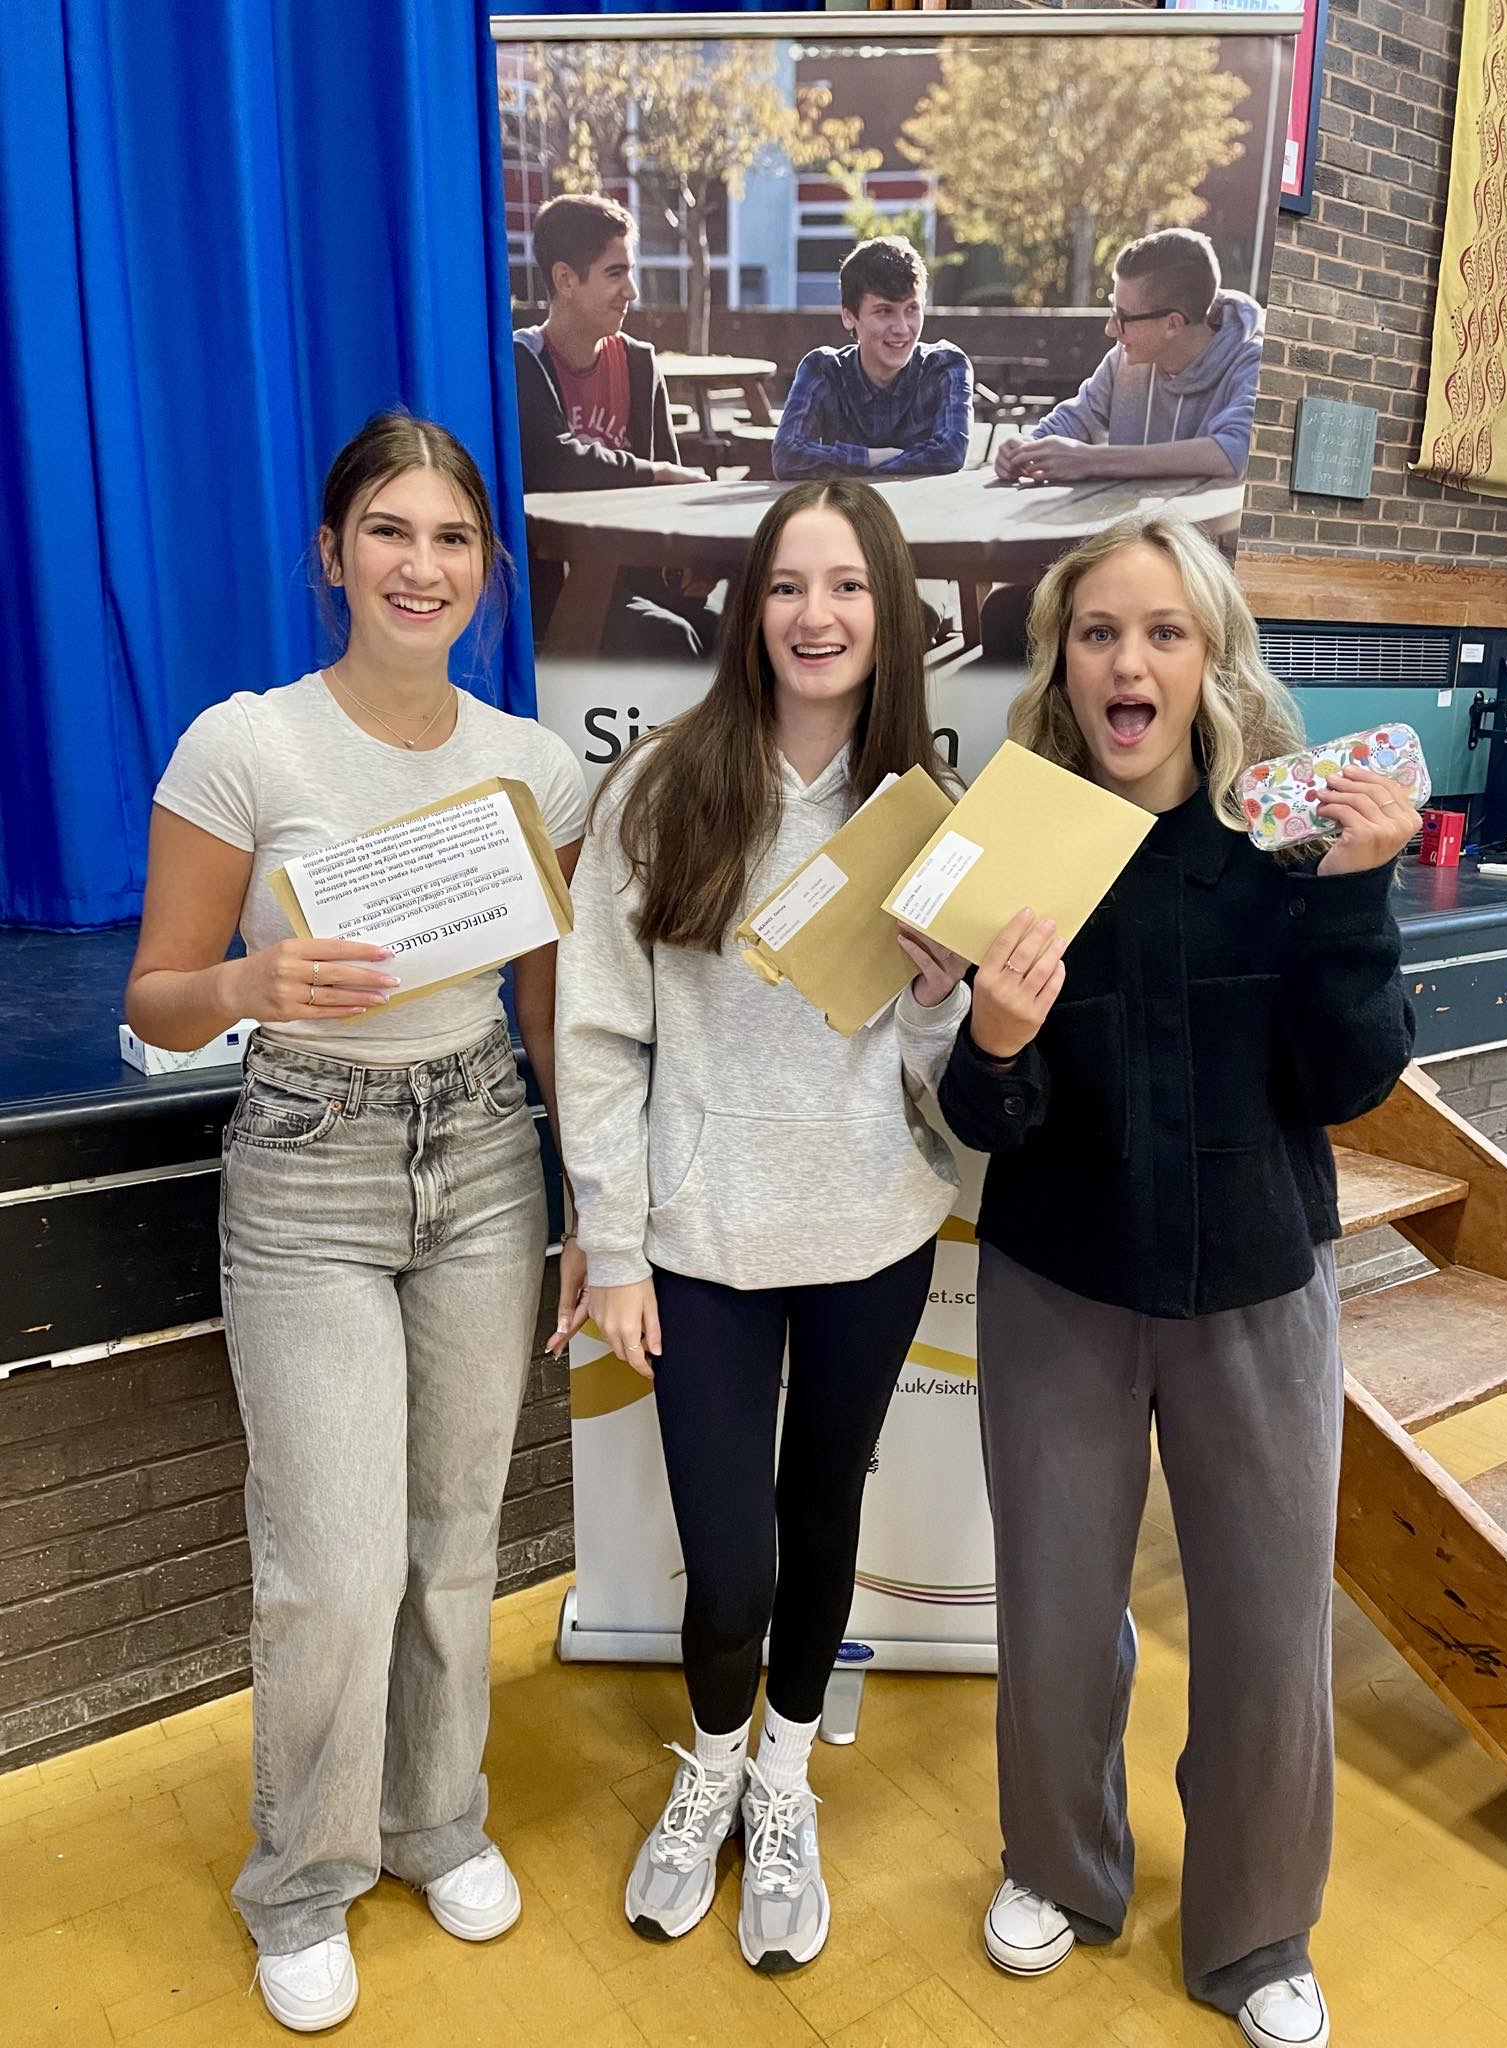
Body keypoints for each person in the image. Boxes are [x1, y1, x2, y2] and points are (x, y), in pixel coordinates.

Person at [125, 412, 589, 2034]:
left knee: (458, 1535)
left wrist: (591, 1198)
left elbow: (555, 1023)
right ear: (333, 554)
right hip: (307, 1161)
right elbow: (158, 1002)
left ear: (487, 570)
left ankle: (434, 1818)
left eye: (451, 537)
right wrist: (252, 983)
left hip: (480, 1155)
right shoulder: (244, 746)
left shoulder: (535, 769)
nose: (420, 562)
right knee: (330, 1562)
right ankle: (302, 1875)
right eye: (388, 530)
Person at [937, 513, 1416, 2048]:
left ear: (1212, 660)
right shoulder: (1018, 848)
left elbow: (1349, 1081)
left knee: (1272, 1629)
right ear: (1060, 664)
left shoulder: (1284, 844)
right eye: (1097, 633)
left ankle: (1257, 1930)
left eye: (1162, 632)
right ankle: (1059, 1873)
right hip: (1059, 1287)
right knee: (1059, 1613)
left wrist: (1352, 894)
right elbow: (981, 1116)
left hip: (1260, 1285)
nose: (1127, 659)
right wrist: (994, 1043)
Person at [555, 479, 970, 1973]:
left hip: (873, 1228)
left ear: (893, 612)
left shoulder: (928, 819)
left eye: (848, 587)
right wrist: (612, 1245)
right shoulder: (665, 788)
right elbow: (600, 1034)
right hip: (703, 1240)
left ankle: (785, 1777)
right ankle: (713, 1763)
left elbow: (945, 1068)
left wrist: (939, 997)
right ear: (751, 608)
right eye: (789, 585)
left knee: (823, 1519)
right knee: (728, 1562)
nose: (815, 615)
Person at [981, 229, 1263, 662]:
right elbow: (1073, 419)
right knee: (1004, 615)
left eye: (1124, 316)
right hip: (1119, 563)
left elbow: (1232, 452)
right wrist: (1025, 446)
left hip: (1196, 576)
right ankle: (1037, 731)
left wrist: (1093, 462)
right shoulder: (1125, 360)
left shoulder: (1250, 360)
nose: (1112, 328)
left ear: (1172, 323)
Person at [513, 192, 713, 655]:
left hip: (641, 577)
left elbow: (674, 488)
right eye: (615, 273)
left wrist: (700, 556)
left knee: (745, 634)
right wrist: (655, 473)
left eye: (630, 271)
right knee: (672, 642)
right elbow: (556, 461)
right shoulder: (523, 362)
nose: (632, 291)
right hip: (556, 593)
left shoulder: (639, 365)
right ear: (565, 279)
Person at [772, 235, 973, 481]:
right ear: (849, 317)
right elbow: (787, 456)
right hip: (847, 513)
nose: (902, 328)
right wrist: (873, 457)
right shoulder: (823, 368)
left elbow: (951, 452)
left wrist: (851, 463)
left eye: (912, 309)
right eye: (884, 311)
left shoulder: (945, 366)